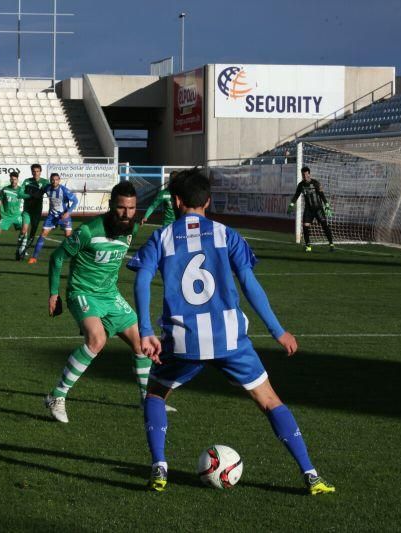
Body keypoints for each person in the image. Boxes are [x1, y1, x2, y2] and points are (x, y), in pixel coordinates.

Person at [129, 168, 335, 495]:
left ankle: (159, 466)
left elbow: (141, 279)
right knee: (269, 401)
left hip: (184, 340)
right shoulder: (227, 235)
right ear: (207, 201)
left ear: (176, 201)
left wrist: (145, 329)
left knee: (155, 393)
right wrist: (278, 331)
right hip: (230, 339)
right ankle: (310, 474)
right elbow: (250, 284)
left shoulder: (162, 237)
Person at [44, 181, 175, 424]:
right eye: (122, 208)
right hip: (82, 292)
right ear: (111, 205)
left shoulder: (130, 229)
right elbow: (57, 256)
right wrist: (54, 293)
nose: (127, 214)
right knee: (97, 340)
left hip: (110, 294)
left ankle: (146, 398)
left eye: (132, 208)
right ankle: (57, 396)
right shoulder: (88, 230)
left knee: (141, 342)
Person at [28, 172, 78, 264]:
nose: (54, 181)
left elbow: (75, 201)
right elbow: (40, 192)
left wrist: (68, 213)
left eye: (56, 179)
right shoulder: (47, 187)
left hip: (63, 216)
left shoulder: (64, 190)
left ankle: (75, 257)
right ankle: (34, 257)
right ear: (50, 180)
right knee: (43, 234)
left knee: (68, 237)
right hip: (51, 216)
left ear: (59, 180)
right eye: (52, 179)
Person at [287, 166, 334, 252]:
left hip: (318, 208)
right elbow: (296, 195)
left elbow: (321, 194)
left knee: (324, 225)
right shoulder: (301, 185)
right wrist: (291, 204)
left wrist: (326, 204)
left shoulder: (315, 183)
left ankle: (331, 244)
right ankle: (308, 246)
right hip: (308, 209)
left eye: (306, 174)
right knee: (305, 226)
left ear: (309, 174)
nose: (305, 176)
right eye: (303, 175)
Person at [15, 163, 49, 260]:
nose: (35, 173)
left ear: (40, 172)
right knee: (23, 230)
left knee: (32, 233)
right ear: (31, 172)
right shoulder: (27, 181)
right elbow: (19, 194)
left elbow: (51, 191)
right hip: (27, 210)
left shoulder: (45, 182)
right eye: (34, 171)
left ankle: (24, 250)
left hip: (37, 211)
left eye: (37, 171)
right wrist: (30, 195)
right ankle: (18, 249)